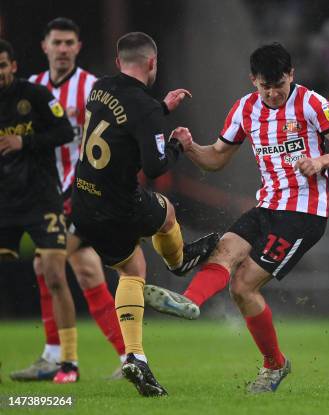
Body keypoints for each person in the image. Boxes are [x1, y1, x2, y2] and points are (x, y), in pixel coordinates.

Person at [144, 42, 329, 394]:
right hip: (266, 207)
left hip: (304, 213)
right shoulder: (245, 110)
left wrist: (321, 161)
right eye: (267, 87)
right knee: (224, 252)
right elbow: (216, 158)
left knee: (243, 284)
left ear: (291, 75)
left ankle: (274, 366)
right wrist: (189, 148)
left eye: (280, 85)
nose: (275, 94)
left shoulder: (311, 103)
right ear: (253, 81)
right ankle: (189, 301)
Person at [70, 32, 218, 396]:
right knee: (167, 212)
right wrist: (176, 144)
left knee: (131, 270)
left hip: (84, 202)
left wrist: (162, 109)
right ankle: (179, 262)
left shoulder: (99, 88)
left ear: (119, 62)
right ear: (152, 64)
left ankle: (135, 358)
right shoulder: (145, 107)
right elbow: (155, 167)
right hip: (119, 203)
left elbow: (123, 118)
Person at [10, 17, 126, 383]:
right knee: (76, 268)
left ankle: (61, 358)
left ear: (78, 47)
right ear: (44, 46)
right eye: (56, 43)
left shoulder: (93, 89)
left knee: (52, 266)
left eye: (68, 43)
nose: (62, 49)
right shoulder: (30, 89)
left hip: (80, 192)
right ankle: (127, 357)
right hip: (44, 194)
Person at [0, 39, 77, 381]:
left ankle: (69, 363)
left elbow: (65, 131)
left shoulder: (34, 96)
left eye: (2, 65)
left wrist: (24, 141)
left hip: (41, 199)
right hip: (4, 202)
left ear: (13, 66)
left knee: (55, 274)